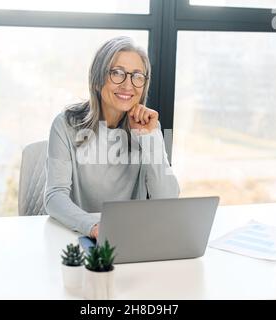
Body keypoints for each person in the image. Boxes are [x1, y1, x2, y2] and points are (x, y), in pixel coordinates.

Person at [44, 36, 180, 239]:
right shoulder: (65, 125)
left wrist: (149, 138)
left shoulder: (149, 127)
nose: (128, 85)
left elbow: (167, 200)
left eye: (137, 76)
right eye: (117, 73)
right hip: (82, 236)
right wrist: (94, 227)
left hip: (135, 237)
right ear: (97, 80)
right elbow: (54, 196)